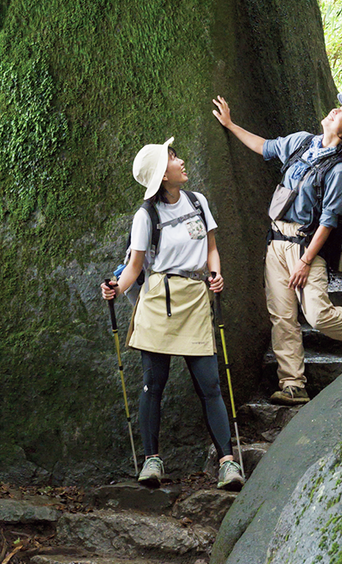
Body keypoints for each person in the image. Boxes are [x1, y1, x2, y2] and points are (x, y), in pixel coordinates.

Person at [212, 93, 342, 405]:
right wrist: (230, 124)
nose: (337, 109)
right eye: (339, 107)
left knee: (318, 314)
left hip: (307, 246)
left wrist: (306, 261)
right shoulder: (300, 143)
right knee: (281, 316)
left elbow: (329, 220)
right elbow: (264, 147)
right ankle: (293, 384)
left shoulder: (340, 170)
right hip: (276, 242)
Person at [101, 141, 245, 489]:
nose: (181, 161)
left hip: (195, 298)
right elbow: (135, 267)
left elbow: (211, 248)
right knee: (153, 384)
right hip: (157, 302)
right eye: (173, 158)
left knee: (210, 384)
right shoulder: (145, 216)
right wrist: (116, 288)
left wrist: (216, 273)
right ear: (164, 175)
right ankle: (152, 461)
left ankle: (228, 464)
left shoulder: (198, 202)